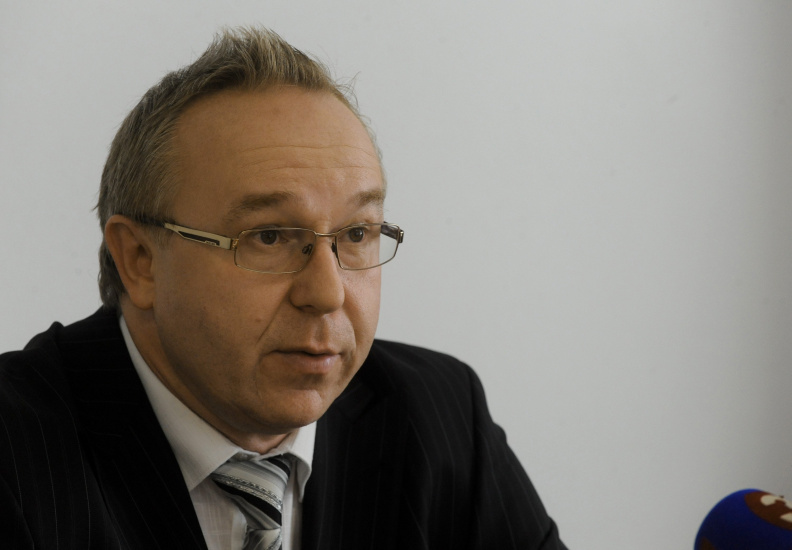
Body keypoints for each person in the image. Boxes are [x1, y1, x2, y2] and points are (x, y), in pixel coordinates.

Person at [0, 27, 567, 550]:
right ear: (141, 261)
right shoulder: (16, 454)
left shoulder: (440, 416)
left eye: (356, 234)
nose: (328, 293)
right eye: (269, 237)